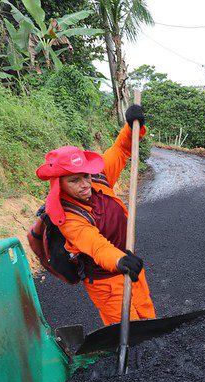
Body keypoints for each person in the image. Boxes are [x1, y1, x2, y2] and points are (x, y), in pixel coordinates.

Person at [36, 105, 156, 325]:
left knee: (149, 323)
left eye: (85, 176)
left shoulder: (98, 178)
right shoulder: (67, 216)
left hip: (130, 267)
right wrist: (120, 260)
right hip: (108, 283)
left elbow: (120, 150)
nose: (85, 185)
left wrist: (131, 127)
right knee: (127, 335)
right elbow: (96, 246)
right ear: (59, 184)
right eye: (74, 180)